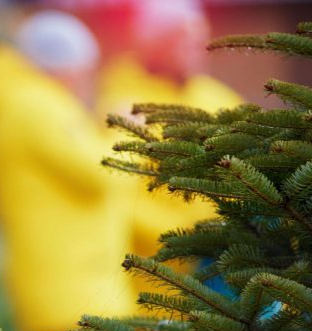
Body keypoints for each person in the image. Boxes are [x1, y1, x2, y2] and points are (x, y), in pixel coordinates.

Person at [0, 9, 137, 331]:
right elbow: (103, 173)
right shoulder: (35, 105)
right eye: (87, 72)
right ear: (68, 69)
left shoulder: (20, 101)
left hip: (70, 296)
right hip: (73, 300)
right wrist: (127, 132)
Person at [96, 0, 243, 304]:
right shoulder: (122, 102)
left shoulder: (218, 99)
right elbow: (118, 192)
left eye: (198, 36)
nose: (195, 46)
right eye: (181, 37)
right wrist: (185, 236)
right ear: (151, 43)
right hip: (157, 273)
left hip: (228, 254)